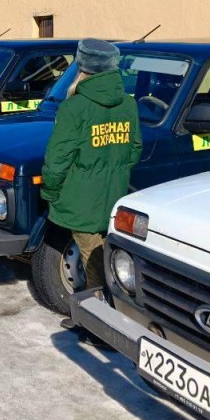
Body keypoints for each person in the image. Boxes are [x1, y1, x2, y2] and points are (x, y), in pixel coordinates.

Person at [41, 39, 142, 335]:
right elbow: (135, 149)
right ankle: (103, 316)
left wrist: (51, 191)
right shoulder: (129, 104)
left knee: (92, 259)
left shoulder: (74, 107)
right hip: (114, 193)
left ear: (82, 68)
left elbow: (57, 159)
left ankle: (97, 325)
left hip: (80, 197)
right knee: (106, 253)